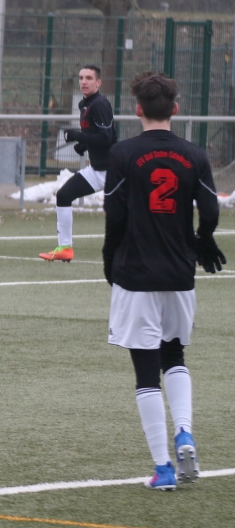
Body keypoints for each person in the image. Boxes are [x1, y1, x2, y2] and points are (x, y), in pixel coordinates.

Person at [102, 72, 225, 491]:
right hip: (179, 273)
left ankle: (164, 469)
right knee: (175, 354)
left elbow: (115, 216)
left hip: (136, 273)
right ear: (175, 109)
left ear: (137, 109)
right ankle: (185, 433)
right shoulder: (194, 154)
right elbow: (210, 210)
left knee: (145, 373)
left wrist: (109, 258)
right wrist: (203, 240)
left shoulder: (123, 153)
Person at [40, 64, 117, 262]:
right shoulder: (85, 104)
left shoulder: (99, 104)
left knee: (132, 209)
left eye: (89, 78)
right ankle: (65, 248)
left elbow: (107, 138)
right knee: (64, 195)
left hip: (113, 172)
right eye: (81, 78)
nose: (84, 81)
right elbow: (96, 134)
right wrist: (83, 144)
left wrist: (77, 136)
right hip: (96, 170)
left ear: (98, 83)